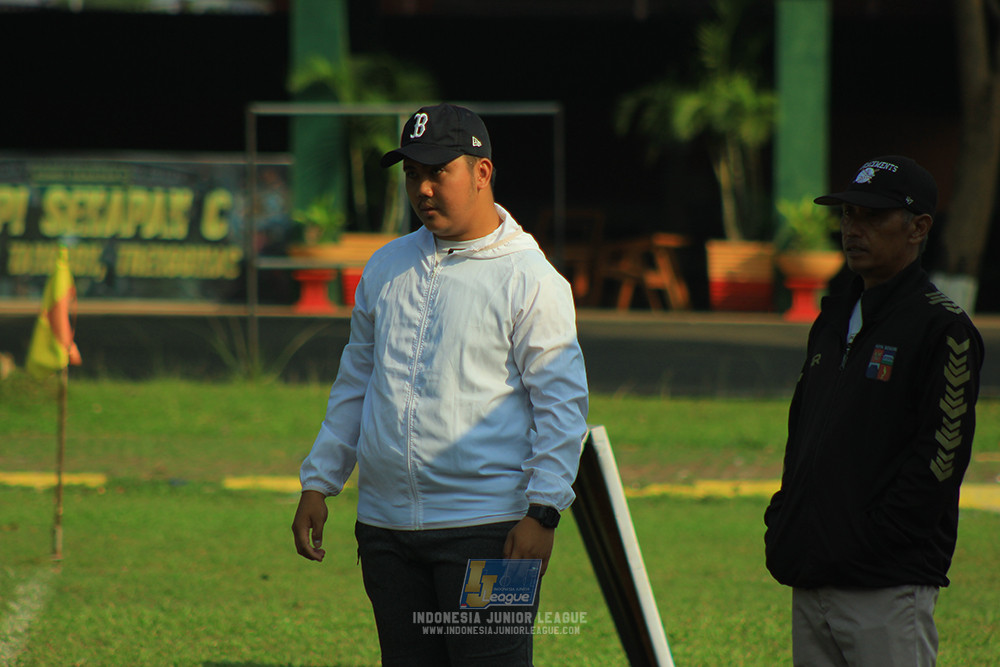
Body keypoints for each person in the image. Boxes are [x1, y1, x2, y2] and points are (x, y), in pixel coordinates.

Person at [291, 103, 589, 666]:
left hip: (491, 533)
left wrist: (543, 512)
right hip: (384, 530)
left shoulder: (531, 279)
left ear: (482, 172)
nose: (422, 188)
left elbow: (562, 406)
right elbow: (356, 380)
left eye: (437, 171)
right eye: (411, 173)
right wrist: (319, 481)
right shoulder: (386, 266)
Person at [764, 155, 984, 666]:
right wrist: (786, 522)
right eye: (847, 216)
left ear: (918, 228)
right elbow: (803, 435)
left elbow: (940, 460)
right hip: (813, 573)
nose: (853, 229)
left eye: (873, 216)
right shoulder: (834, 316)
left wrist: (870, 541)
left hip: (885, 587)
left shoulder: (942, 330)